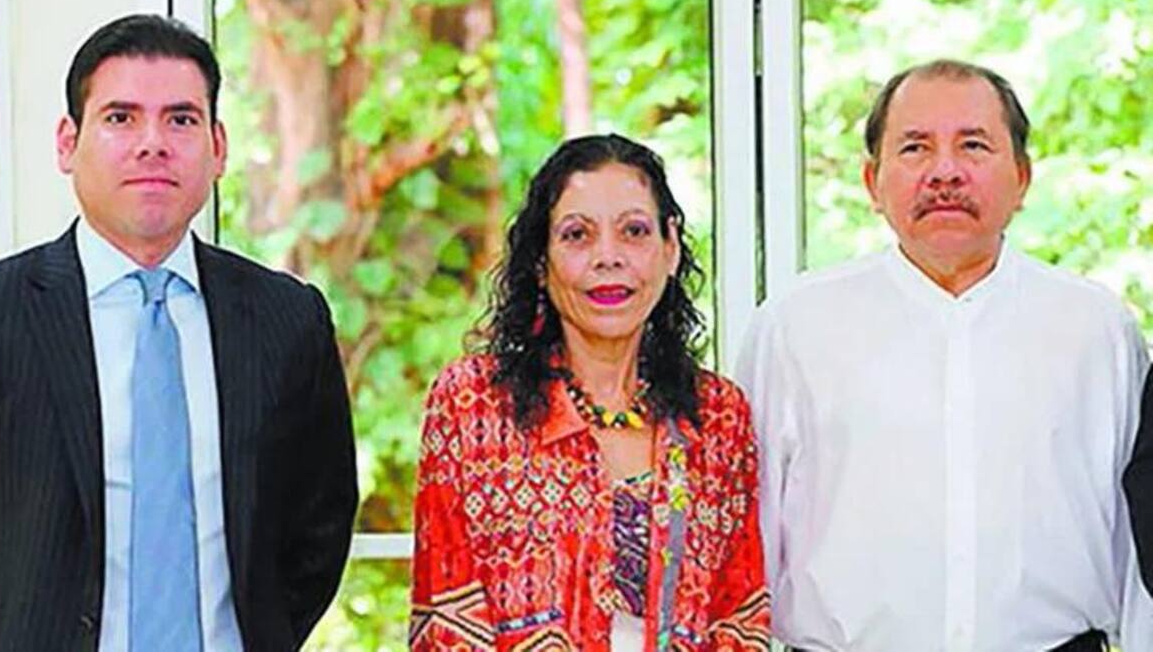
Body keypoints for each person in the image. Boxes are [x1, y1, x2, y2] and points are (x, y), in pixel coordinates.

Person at [0, 14, 357, 651]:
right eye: (120, 117)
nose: (153, 143)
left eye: (181, 119)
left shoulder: (287, 321)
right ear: (67, 142)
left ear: (218, 146)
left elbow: (319, 530)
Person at [736, 59, 1153, 651]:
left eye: (974, 145)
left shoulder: (1097, 329)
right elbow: (745, 536)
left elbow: (1138, 548)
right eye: (915, 148)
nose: (945, 172)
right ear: (871, 181)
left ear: (1023, 178)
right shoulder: (794, 327)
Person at [409, 134, 769, 650]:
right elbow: (445, 616)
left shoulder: (718, 417)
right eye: (577, 235)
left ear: (670, 250)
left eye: (634, 232)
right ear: (541, 261)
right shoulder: (473, 402)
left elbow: (741, 615)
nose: (608, 257)